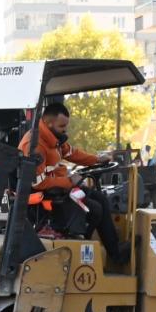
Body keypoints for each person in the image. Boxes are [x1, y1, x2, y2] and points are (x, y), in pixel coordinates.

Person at [21, 98, 122, 259]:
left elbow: (72, 153)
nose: (65, 130)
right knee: (95, 209)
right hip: (46, 194)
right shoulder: (35, 145)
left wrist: (96, 159)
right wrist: (69, 182)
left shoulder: (54, 139)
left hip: (60, 188)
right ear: (48, 124)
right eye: (62, 126)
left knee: (101, 199)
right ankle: (82, 250)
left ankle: (116, 253)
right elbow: (37, 182)